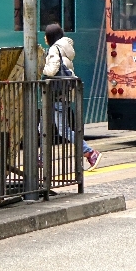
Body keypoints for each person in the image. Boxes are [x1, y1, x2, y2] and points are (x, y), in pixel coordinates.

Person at [42, 23, 101, 170]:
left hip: (57, 95)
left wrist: (41, 68)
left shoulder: (54, 49)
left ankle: (90, 152)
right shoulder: (64, 49)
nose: (44, 37)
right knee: (41, 127)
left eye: (45, 35)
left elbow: (52, 70)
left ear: (50, 36)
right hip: (61, 94)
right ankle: (41, 158)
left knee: (63, 129)